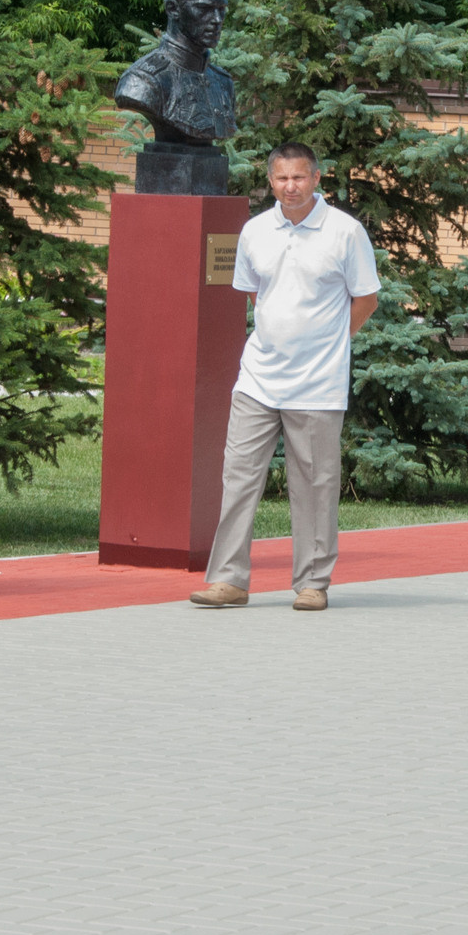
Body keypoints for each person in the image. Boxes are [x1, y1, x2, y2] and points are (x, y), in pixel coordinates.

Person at [189, 144, 382, 612]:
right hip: (257, 379)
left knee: (315, 484)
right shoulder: (255, 231)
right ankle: (229, 580)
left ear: (317, 178)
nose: (290, 186)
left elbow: (366, 298)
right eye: (281, 179)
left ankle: (313, 582)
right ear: (270, 181)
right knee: (238, 479)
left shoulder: (345, 232)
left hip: (317, 384)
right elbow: (256, 294)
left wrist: (330, 341)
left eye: (299, 177)